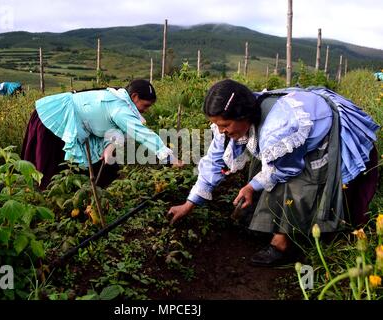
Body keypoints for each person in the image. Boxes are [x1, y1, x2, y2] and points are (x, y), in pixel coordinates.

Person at [168, 79, 379, 266]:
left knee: (300, 182)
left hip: (326, 129)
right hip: (300, 125)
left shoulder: (278, 129)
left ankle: (283, 244)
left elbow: (284, 170)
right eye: (216, 125)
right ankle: (264, 222)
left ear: (243, 115)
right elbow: (214, 160)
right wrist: (190, 203)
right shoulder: (231, 121)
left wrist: (251, 186)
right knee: (261, 168)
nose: (221, 130)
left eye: (225, 125)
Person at [21, 79, 182, 189]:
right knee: (47, 167)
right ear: (134, 97)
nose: (146, 110)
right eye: (145, 105)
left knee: (103, 166)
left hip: (77, 123)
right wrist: (169, 158)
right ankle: (41, 205)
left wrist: (109, 147)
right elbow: (142, 134)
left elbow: (116, 130)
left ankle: (86, 196)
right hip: (55, 118)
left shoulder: (121, 103)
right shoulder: (119, 107)